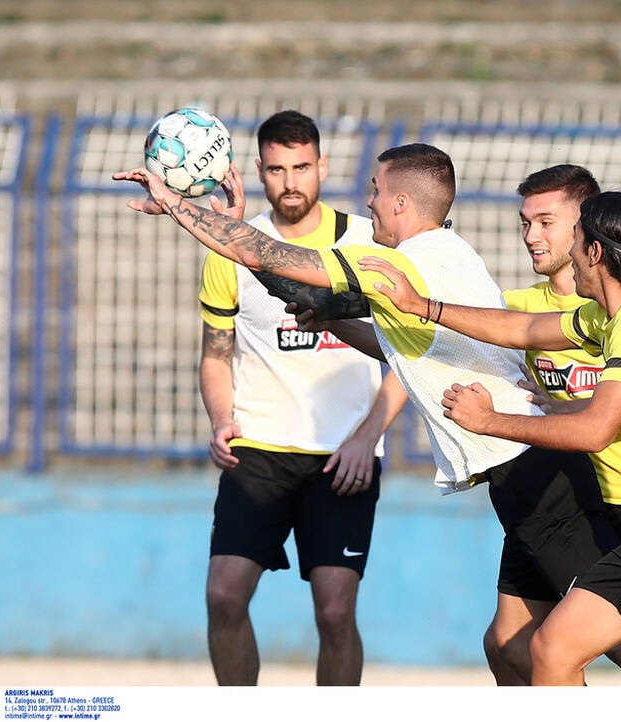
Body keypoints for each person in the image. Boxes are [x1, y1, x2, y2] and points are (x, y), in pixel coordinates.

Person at [115, 143, 621, 686]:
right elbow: (402, 346)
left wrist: (178, 205)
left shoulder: (405, 261)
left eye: (374, 190)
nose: (366, 202)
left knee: (619, 643)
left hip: (540, 479)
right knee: (508, 645)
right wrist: (334, 319)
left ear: (400, 203)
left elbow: (264, 254)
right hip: (519, 478)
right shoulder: (439, 257)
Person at [355, 189, 621, 685]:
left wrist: (490, 420)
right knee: (553, 648)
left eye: (575, 240)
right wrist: (422, 306)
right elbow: (523, 329)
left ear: (595, 252)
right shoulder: (611, 316)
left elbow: (595, 431)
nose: (568, 255)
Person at [196, 110, 409, 686]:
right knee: (223, 595)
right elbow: (216, 353)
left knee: (336, 611)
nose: (291, 181)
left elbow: (407, 359)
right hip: (257, 451)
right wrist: (221, 419)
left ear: (323, 167)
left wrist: (368, 438)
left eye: (302, 167)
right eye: (277, 169)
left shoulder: (367, 243)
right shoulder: (236, 247)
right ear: (259, 172)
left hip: (343, 457)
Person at [488, 164, 621, 686]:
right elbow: (432, 336)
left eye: (545, 222)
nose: (530, 236)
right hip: (571, 502)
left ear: (586, 231)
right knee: (508, 644)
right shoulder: (519, 310)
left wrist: (548, 414)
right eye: (525, 223)